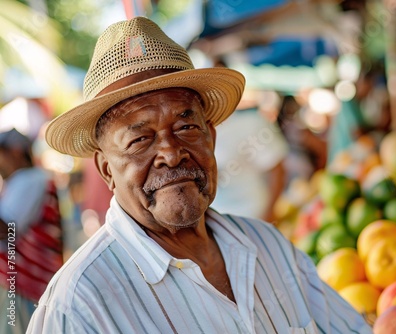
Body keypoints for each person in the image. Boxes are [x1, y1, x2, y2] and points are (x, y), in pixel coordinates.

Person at [27, 17, 372, 333]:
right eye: (140, 139)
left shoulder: (270, 248)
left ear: (212, 138)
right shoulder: (79, 308)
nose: (171, 152)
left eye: (186, 126)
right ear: (107, 170)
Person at [0, 128, 63, 334]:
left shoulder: (29, 179)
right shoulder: (25, 180)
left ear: (16, 151)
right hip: (21, 283)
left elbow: (5, 231)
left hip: (22, 285)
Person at [211, 88, 288, 223]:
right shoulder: (192, 131)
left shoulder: (251, 123)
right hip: (215, 224)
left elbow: (277, 171)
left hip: (252, 217)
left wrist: (268, 216)